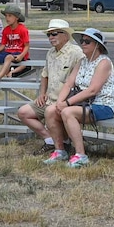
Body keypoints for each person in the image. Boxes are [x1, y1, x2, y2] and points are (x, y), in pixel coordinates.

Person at [44, 28, 114, 168]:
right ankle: (60, 151)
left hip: (102, 105)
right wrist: (60, 102)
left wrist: (67, 103)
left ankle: (81, 155)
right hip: (82, 104)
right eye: (82, 40)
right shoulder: (82, 61)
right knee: (50, 110)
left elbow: (92, 90)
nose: (83, 43)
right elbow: (69, 83)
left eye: (87, 41)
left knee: (67, 112)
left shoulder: (104, 63)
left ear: (97, 45)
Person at [15, 19, 81, 150]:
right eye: (49, 35)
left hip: (67, 101)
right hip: (49, 99)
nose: (51, 37)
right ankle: (50, 139)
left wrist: (65, 101)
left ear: (66, 35)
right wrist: (42, 93)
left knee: (52, 113)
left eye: (54, 34)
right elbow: (45, 75)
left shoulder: (76, 52)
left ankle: (63, 145)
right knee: (23, 112)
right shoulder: (50, 52)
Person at [0, 5, 32, 79]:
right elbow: (2, 45)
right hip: (9, 52)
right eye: (6, 16)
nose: (7, 18)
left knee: (9, 58)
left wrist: (21, 56)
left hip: (19, 53)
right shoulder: (6, 30)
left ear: (17, 18)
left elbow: (27, 46)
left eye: (10, 16)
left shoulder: (23, 29)